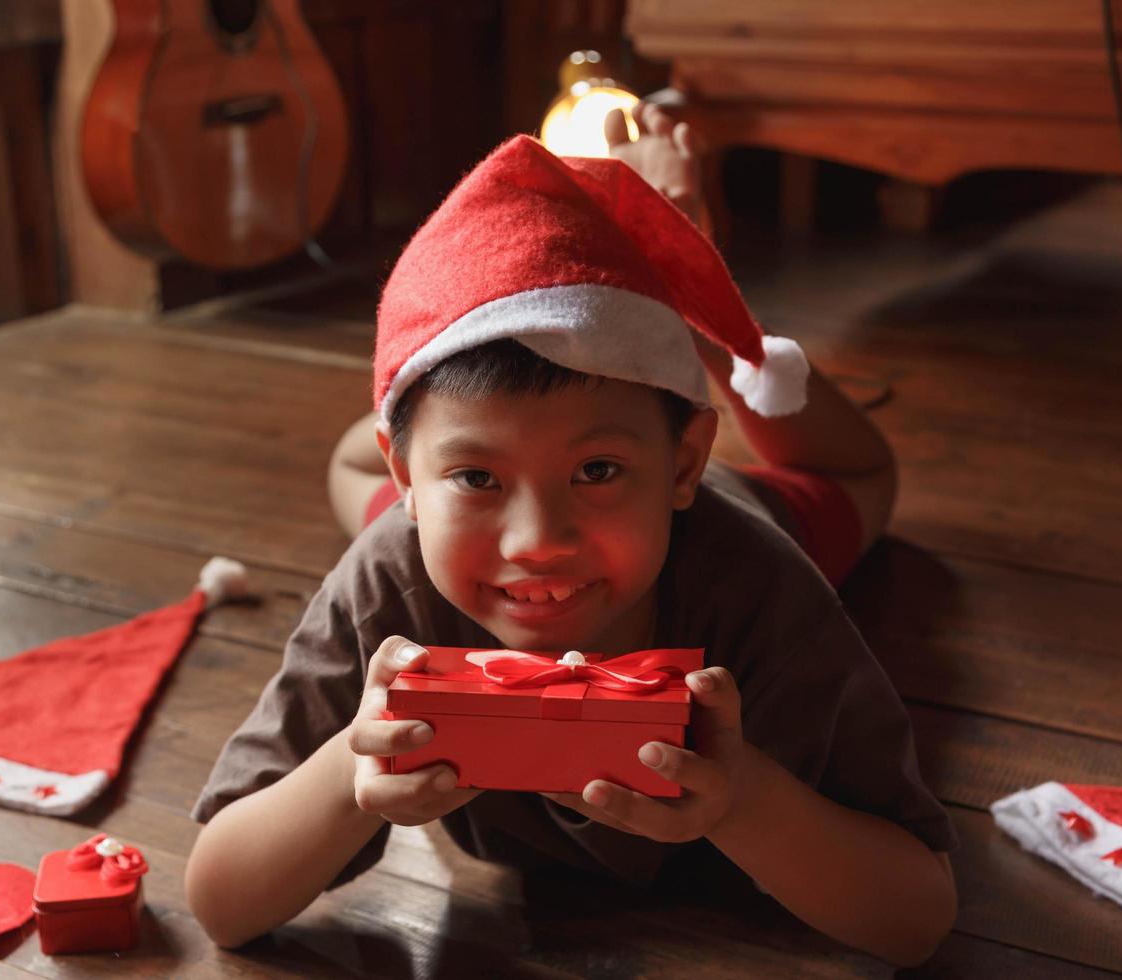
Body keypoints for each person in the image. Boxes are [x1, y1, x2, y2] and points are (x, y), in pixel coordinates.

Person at [185, 103, 958, 966]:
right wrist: (345, 775)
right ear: (413, 478)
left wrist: (743, 798)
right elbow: (219, 903)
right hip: (431, 520)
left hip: (743, 502)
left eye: (597, 472)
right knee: (358, 484)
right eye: (476, 476)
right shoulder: (394, 585)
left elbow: (919, 916)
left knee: (865, 481)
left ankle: (692, 300)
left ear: (680, 465)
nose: (537, 540)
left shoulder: (755, 578)